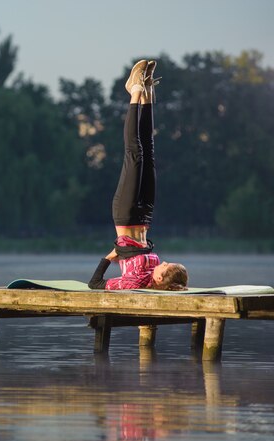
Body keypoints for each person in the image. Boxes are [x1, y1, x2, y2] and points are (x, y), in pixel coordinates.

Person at [88, 60, 188, 291]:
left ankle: (133, 91)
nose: (162, 262)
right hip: (145, 217)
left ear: (160, 279)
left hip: (126, 214)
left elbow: (95, 284)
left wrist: (109, 257)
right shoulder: (154, 274)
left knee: (135, 155)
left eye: (165, 267)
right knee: (149, 154)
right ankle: (148, 91)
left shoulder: (134, 282)